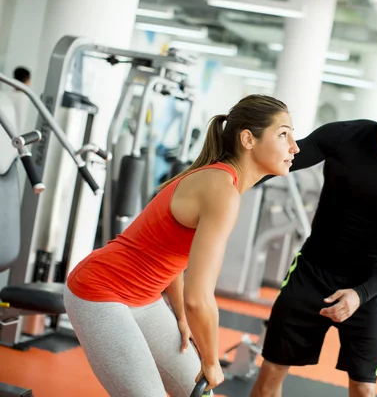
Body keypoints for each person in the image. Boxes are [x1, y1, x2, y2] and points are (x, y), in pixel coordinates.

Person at [63, 94, 299, 396]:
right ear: (248, 140)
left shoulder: (222, 184)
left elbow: (174, 256)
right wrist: (212, 360)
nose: (295, 147)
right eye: (284, 134)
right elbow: (199, 298)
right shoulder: (221, 191)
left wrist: (181, 316)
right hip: (100, 293)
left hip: (145, 299)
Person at [250, 76, 377, 397]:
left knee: (364, 389)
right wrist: (224, 187)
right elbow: (278, 164)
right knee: (271, 371)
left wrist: (360, 294)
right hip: (310, 273)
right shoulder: (343, 136)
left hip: (368, 288)